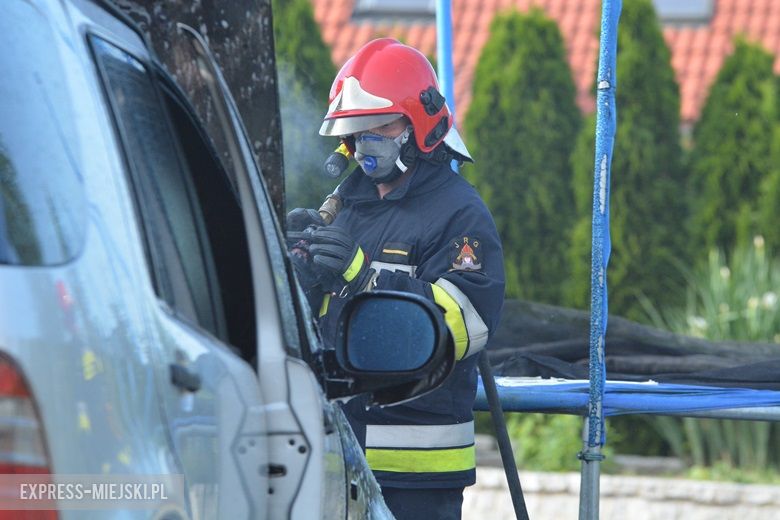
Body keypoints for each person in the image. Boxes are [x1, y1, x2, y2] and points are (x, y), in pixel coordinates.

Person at [287, 38, 505, 520]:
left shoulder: (459, 214)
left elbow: (461, 324)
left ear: (417, 125)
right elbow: (326, 326)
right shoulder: (347, 205)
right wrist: (296, 277)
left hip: (416, 475)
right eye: (356, 131)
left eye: (378, 126)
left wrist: (363, 276)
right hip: (338, 454)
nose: (365, 142)